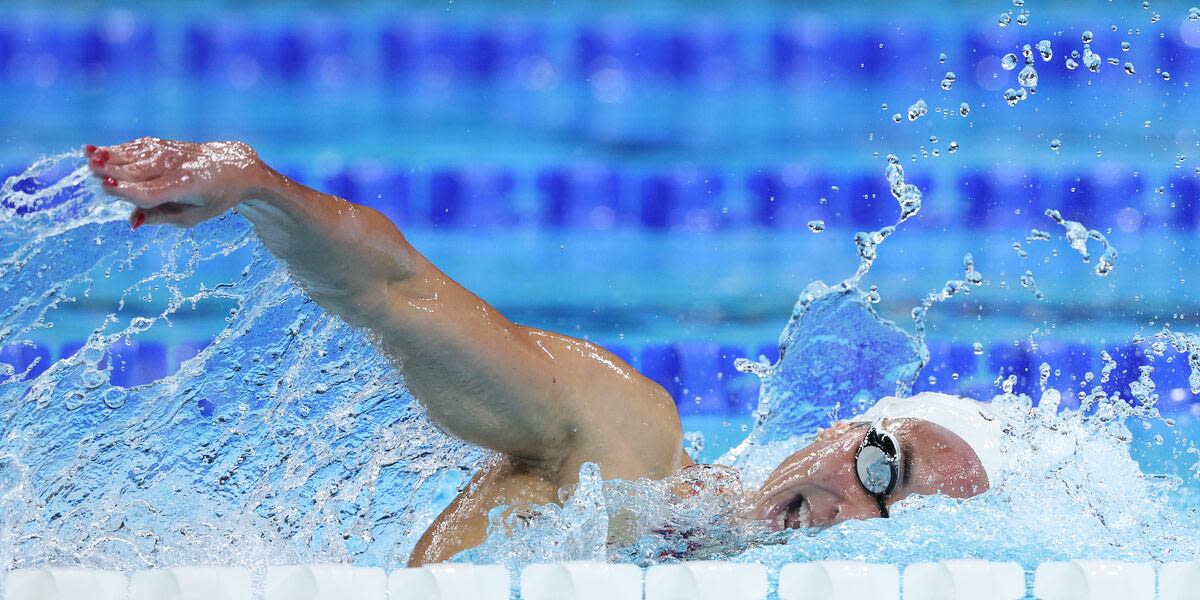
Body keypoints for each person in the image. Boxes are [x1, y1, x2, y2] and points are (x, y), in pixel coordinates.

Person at [84, 137, 1008, 565]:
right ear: (846, 430)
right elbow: (401, 295)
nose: (854, 513)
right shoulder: (628, 452)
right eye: (884, 467)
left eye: (903, 526)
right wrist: (260, 189)